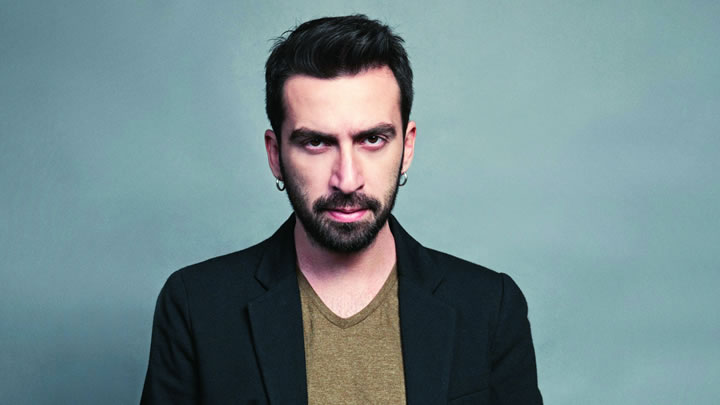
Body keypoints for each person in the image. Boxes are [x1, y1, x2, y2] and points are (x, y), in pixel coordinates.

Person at [141, 14, 542, 405]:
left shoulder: (489, 307)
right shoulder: (196, 306)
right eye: (316, 143)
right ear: (275, 154)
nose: (347, 180)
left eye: (372, 139)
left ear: (407, 147)